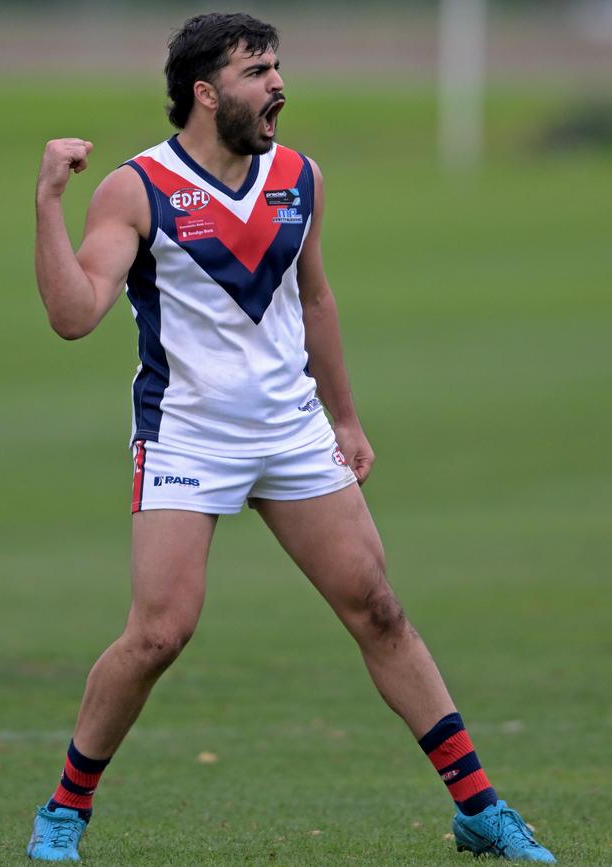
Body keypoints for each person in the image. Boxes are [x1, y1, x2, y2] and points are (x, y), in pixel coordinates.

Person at [27, 12, 556, 864]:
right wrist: (49, 199)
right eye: (256, 70)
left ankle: (479, 806)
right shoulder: (136, 189)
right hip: (188, 436)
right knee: (161, 631)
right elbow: (73, 315)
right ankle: (62, 811)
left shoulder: (298, 177)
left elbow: (315, 301)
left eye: (277, 67)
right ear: (205, 92)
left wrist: (344, 416)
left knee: (378, 608)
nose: (278, 84)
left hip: (290, 430)